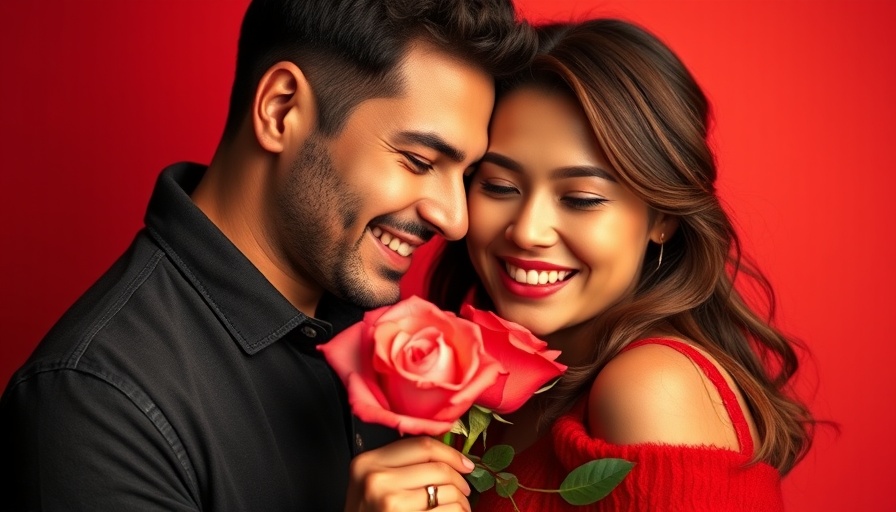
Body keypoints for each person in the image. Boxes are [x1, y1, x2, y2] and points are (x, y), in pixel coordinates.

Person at [0, 1, 536, 510]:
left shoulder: (372, 315)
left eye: (465, 176)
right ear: (281, 110)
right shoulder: (94, 403)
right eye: (419, 160)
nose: (455, 219)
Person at [428, 19, 814, 510]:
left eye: (583, 199)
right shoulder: (478, 382)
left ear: (662, 218)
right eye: (500, 187)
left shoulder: (649, 387)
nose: (527, 230)